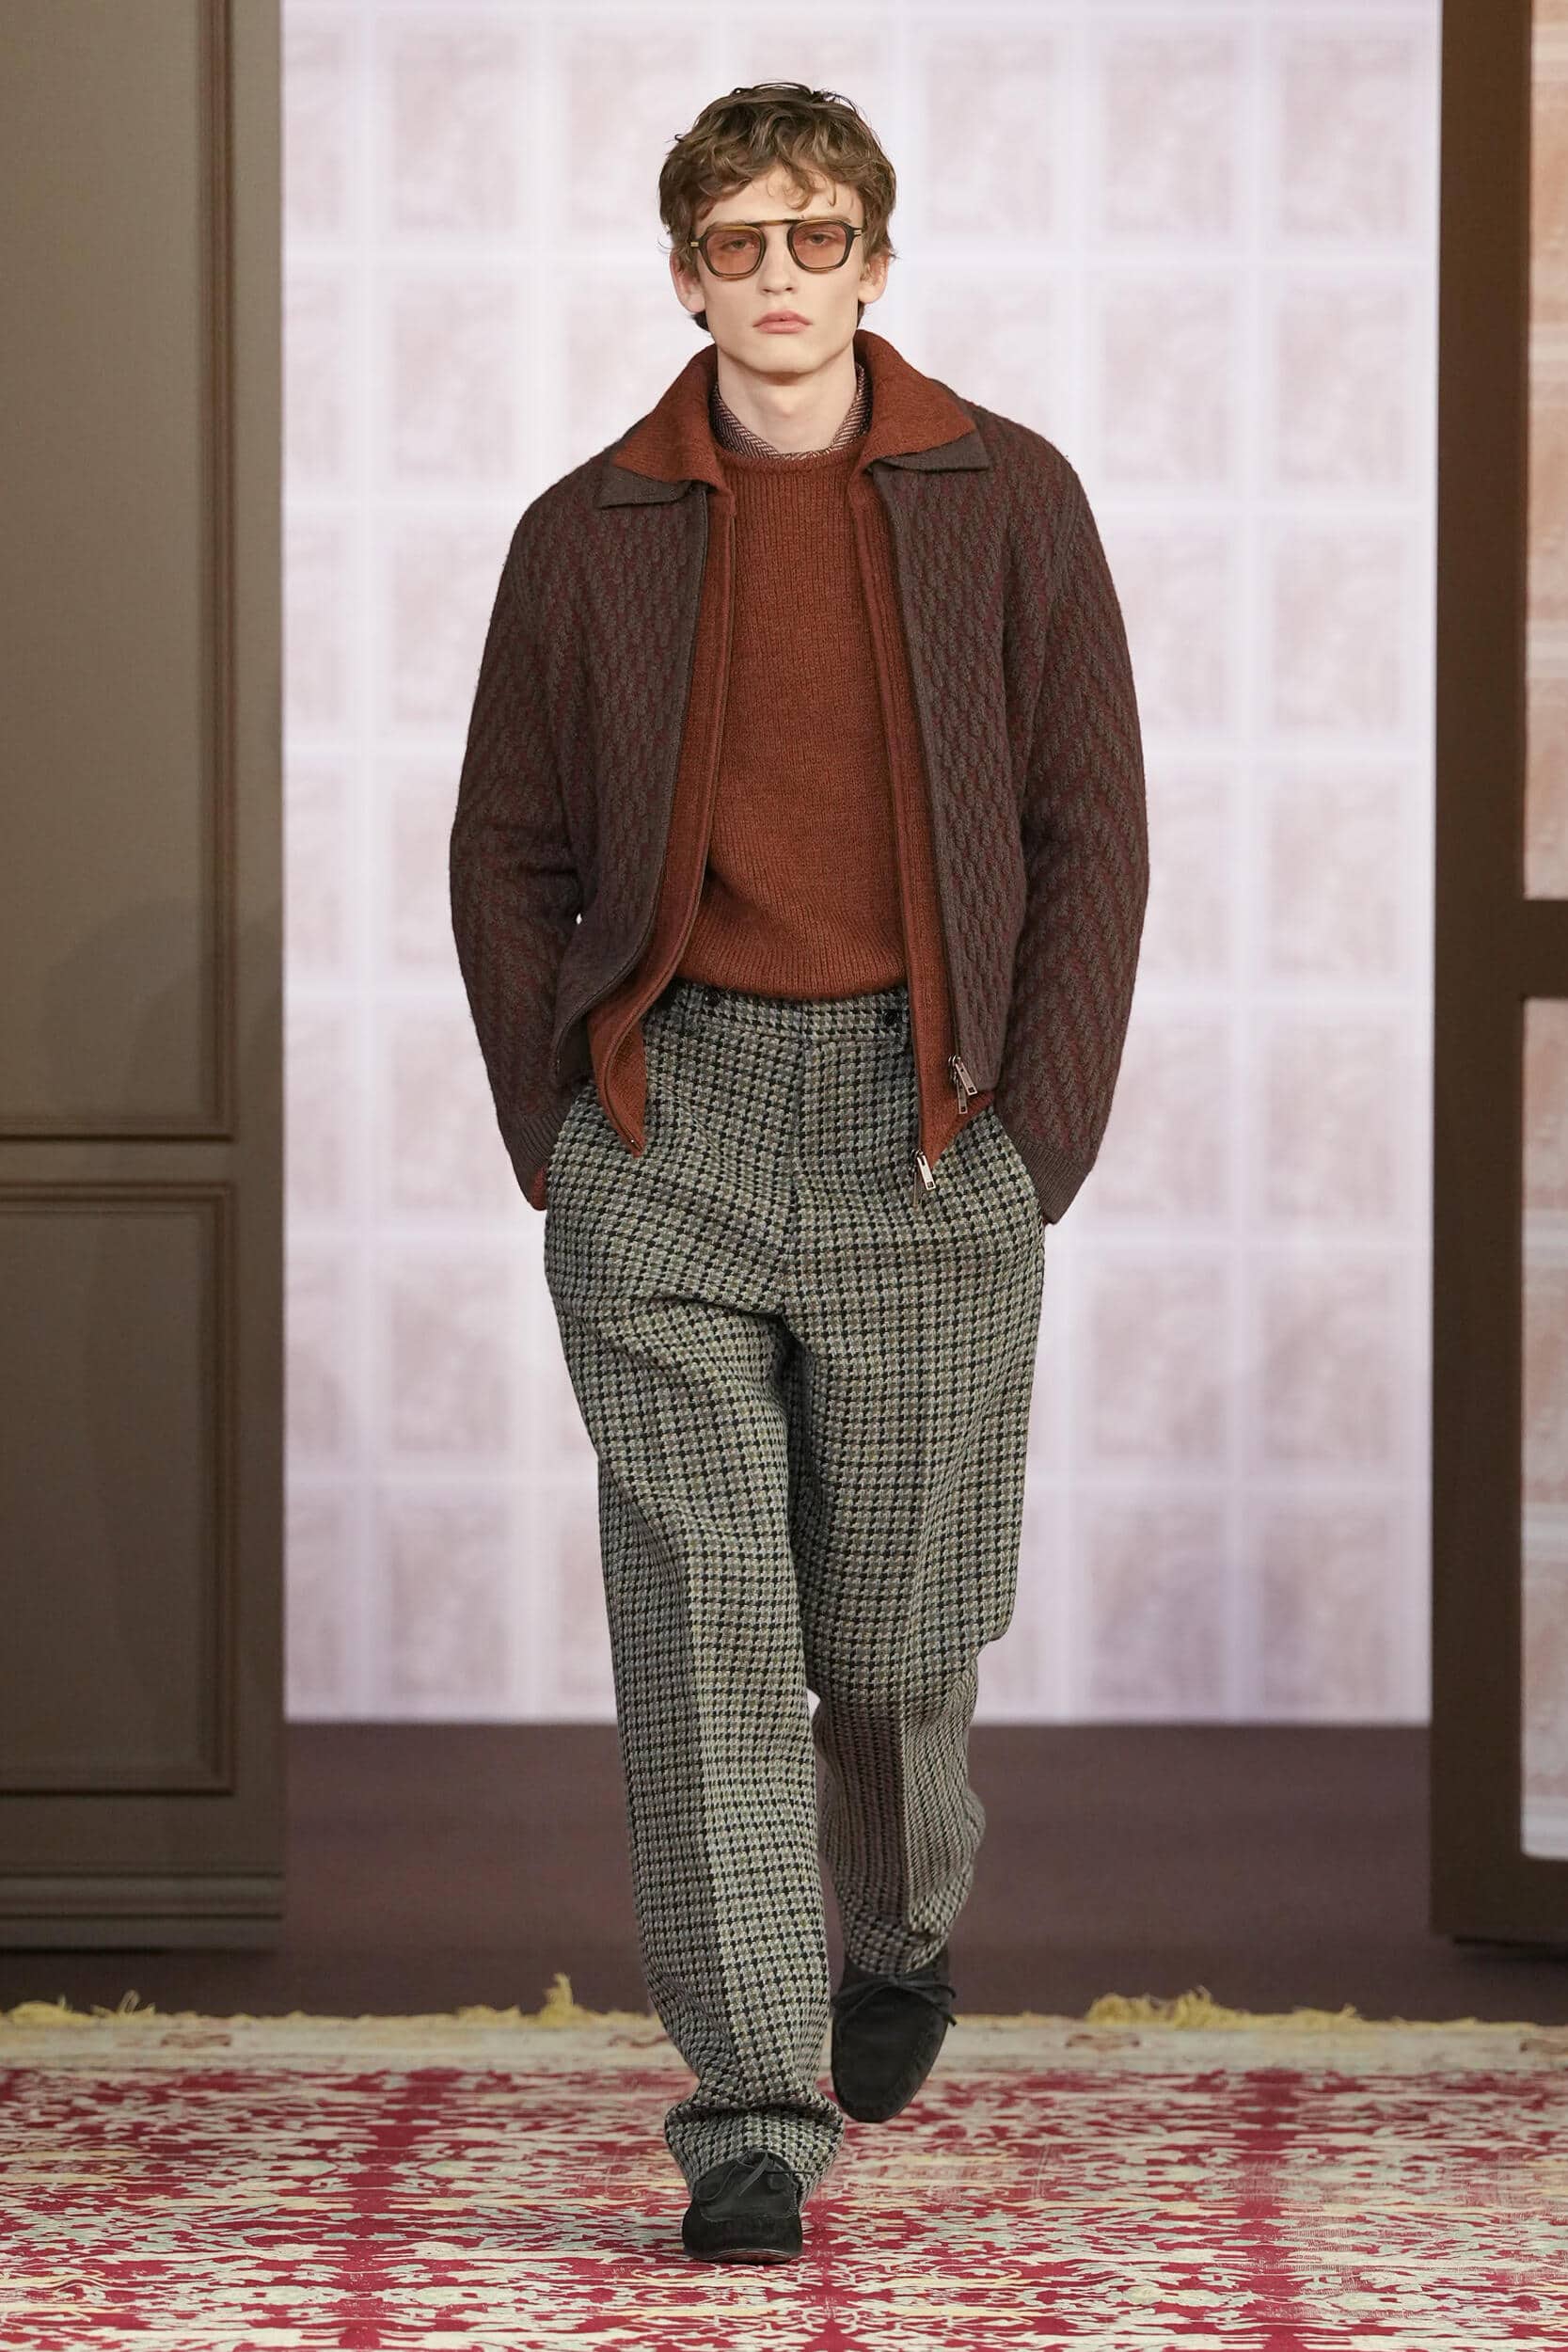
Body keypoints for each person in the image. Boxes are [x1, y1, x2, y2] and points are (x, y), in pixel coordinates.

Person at [449, 79, 1148, 2265]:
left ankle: (901, 1920)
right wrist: (562, 1130)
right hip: (668, 1125)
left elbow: (1090, 833)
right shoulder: (590, 531)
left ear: (874, 260)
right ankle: (750, 2109)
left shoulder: (1006, 498)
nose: (775, 276)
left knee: (893, 1635)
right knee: (709, 1637)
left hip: (926, 1123)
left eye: (813, 237)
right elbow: (509, 847)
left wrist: (1036, 1141)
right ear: (684, 275)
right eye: (735, 243)